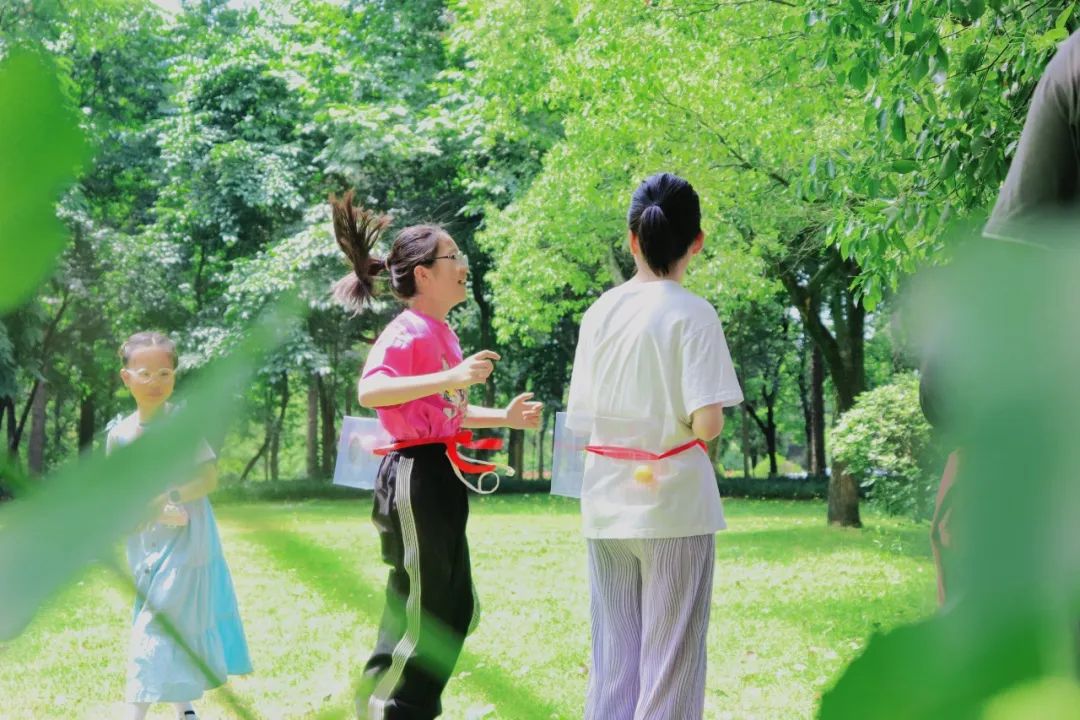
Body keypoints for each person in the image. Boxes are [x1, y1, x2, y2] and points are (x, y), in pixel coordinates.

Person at [328, 191, 543, 720]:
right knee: (423, 606)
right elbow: (371, 391)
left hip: (440, 472)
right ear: (424, 274)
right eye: (454, 257)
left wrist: (504, 417)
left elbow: (447, 411)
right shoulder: (405, 331)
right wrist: (450, 375)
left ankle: (415, 708)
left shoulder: (441, 332)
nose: (463, 266)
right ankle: (386, 707)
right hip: (412, 475)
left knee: (455, 606)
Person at [565, 173, 743, 720]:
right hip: (674, 507)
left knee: (614, 664)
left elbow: (581, 418)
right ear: (697, 241)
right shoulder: (693, 313)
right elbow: (707, 423)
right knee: (670, 665)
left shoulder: (600, 312)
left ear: (632, 239)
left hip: (606, 502)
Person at [106, 331, 251, 720]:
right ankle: (185, 710)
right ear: (126, 378)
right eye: (145, 373)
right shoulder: (119, 436)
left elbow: (208, 478)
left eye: (164, 373)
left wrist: (168, 496)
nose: (155, 382)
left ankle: (134, 712)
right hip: (144, 542)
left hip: (188, 540)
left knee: (157, 621)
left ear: (174, 376)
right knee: (166, 618)